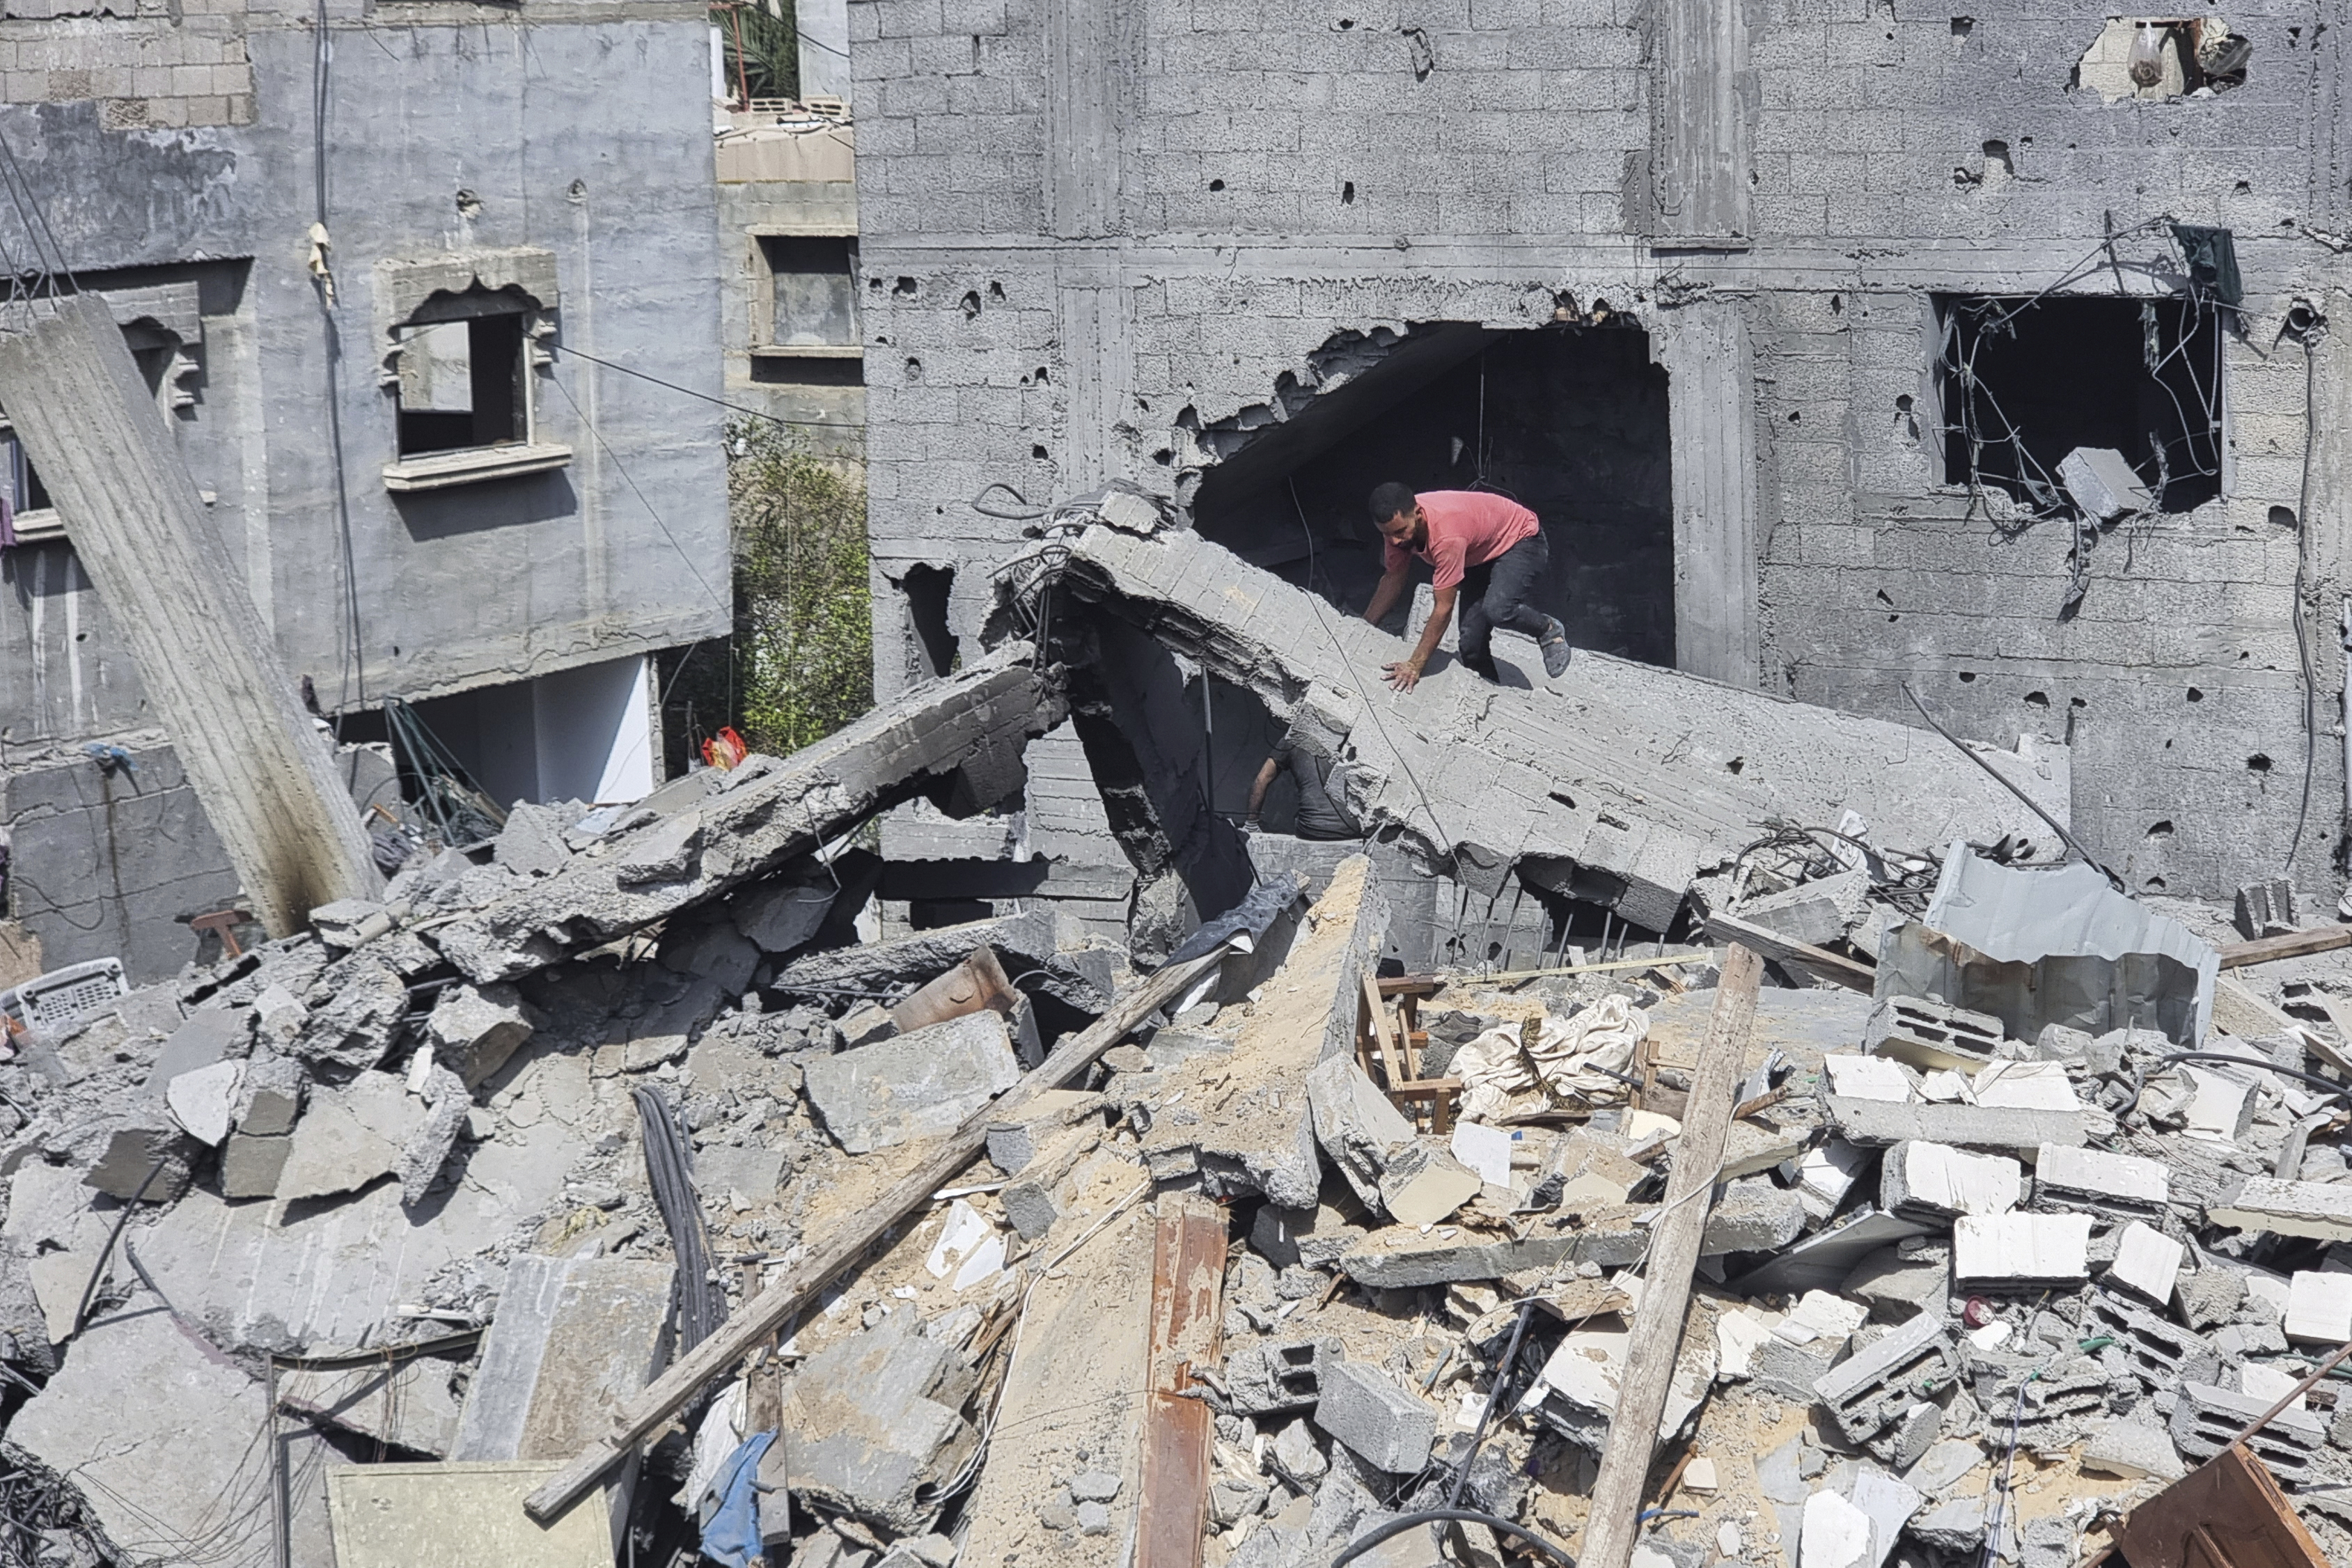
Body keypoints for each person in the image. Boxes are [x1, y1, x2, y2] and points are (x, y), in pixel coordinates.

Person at [1359, 481, 1571, 691]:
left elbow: (1443, 608)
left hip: (1520, 539)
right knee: (1471, 644)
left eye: (1401, 531)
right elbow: (1393, 577)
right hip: (1477, 550)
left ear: (1418, 514)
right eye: (1387, 534)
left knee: (1498, 609)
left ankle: (1547, 629)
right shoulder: (1397, 531)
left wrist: (1414, 665)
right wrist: (1364, 627)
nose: (1395, 541)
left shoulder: (1447, 535)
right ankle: (1488, 691)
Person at [1245, 721, 1362, 841]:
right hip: (1354, 831)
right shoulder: (1357, 739)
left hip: (1312, 830)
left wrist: (1251, 825)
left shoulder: (1294, 738)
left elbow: (1262, 779)